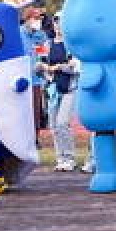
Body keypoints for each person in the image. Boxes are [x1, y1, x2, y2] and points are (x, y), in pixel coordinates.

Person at [43, 12, 80, 172]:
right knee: (53, 125)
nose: (58, 25)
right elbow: (40, 63)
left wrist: (59, 67)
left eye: (62, 22)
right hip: (53, 89)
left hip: (69, 89)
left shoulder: (72, 45)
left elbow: (75, 67)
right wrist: (45, 70)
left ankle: (69, 158)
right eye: (56, 22)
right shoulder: (47, 43)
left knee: (62, 123)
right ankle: (61, 158)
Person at [22, 5, 51, 143]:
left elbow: (45, 53)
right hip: (21, 80)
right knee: (22, 112)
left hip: (36, 80)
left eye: (39, 19)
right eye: (35, 18)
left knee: (36, 112)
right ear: (27, 19)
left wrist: (42, 65)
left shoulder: (41, 35)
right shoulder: (18, 34)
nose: (37, 21)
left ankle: (34, 140)